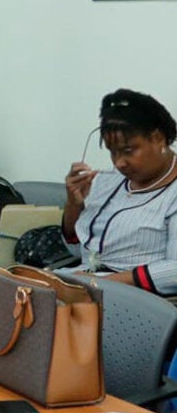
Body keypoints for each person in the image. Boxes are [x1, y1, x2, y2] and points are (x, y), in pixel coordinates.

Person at [63, 89, 177, 295]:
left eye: (128, 151)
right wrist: (74, 204)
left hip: (134, 298)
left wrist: (101, 282)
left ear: (158, 138)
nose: (119, 163)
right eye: (112, 152)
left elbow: (174, 271)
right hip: (82, 282)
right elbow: (76, 250)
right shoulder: (108, 181)